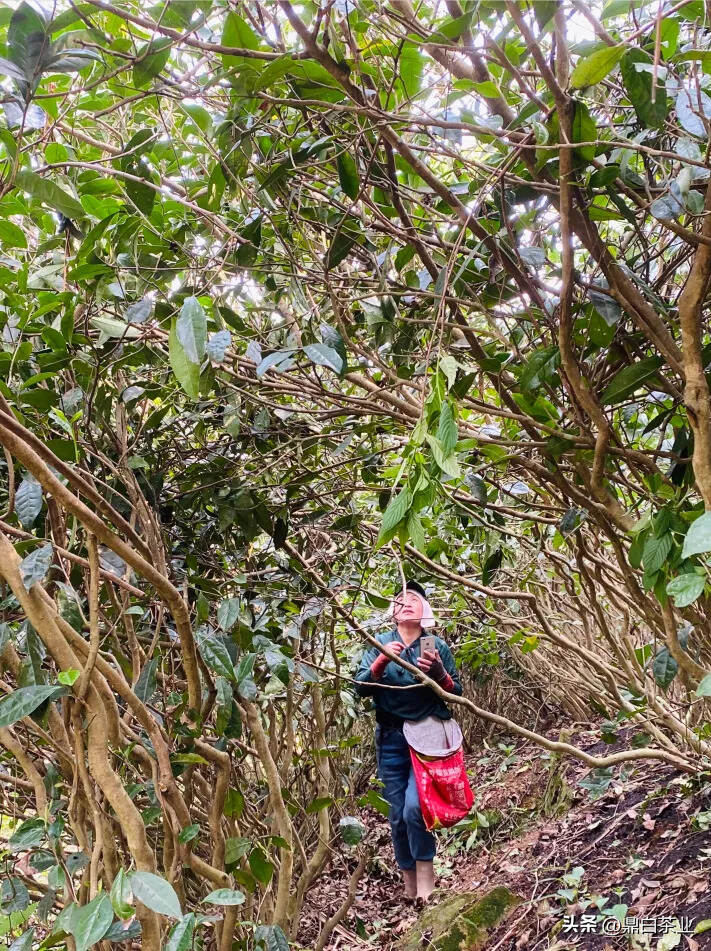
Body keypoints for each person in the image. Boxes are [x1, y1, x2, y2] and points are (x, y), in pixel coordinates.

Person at [354, 580, 462, 901]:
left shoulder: (435, 645)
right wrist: (381, 661)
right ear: (393, 612)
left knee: (417, 808)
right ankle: (410, 888)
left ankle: (427, 889)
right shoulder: (379, 643)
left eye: (415, 598)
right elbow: (360, 687)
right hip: (391, 739)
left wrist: (439, 674)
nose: (407, 601)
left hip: (427, 737)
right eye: (401, 598)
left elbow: (456, 692)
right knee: (398, 813)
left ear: (425, 611)